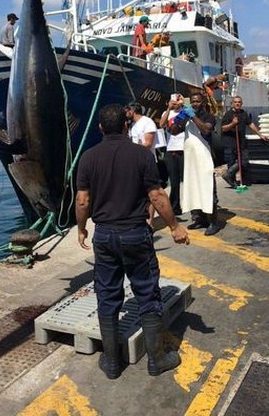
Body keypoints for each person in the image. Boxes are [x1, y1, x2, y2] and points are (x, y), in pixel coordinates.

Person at [75, 104, 189, 380]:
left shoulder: (88, 157)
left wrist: (81, 229)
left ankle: (112, 363)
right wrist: (174, 227)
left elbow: (82, 200)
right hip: (135, 233)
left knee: (107, 294)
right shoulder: (141, 155)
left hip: (104, 234)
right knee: (147, 294)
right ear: (126, 126)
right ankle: (157, 359)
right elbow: (157, 196)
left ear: (100, 128)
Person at [171, 92, 222, 235]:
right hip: (190, 159)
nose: (195, 104)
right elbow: (173, 131)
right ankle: (200, 219)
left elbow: (206, 129)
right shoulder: (186, 116)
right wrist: (181, 117)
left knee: (207, 190)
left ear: (203, 102)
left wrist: (192, 116)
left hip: (204, 159)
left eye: (198, 101)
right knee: (193, 189)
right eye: (192, 101)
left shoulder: (208, 117)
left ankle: (213, 222)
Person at [125, 102, 168, 209]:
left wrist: (132, 149)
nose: (125, 113)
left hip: (146, 161)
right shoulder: (132, 125)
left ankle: (151, 222)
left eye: (126, 111)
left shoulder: (147, 122)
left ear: (132, 111)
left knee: (152, 192)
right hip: (135, 161)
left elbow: (148, 143)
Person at [221, 96, 269, 188]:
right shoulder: (228, 114)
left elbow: (250, 124)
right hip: (230, 142)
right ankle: (233, 182)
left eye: (239, 102)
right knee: (231, 162)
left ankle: (228, 174)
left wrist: (260, 135)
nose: (237, 104)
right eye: (235, 102)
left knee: (244, 161)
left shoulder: (243, 114)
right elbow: (223, 128)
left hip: (241, 142)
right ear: (232, 104)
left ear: (241, 104)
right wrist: (233, 124)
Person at [160, 93, 185, 216]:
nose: (175, 103)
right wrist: (169, 109)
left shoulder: (185, 112)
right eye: (173, 101)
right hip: (171, 149)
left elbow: (191, 114)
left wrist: (183, 104)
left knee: (186, 178)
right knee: (174, 181)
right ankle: (175, 206)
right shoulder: (167, 113)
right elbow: (161, 124)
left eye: (177, 100)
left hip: (184, 149)